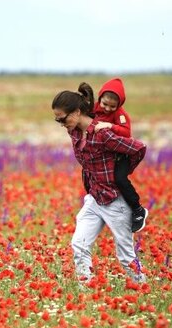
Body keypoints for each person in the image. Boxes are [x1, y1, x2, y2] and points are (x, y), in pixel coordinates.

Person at [52, 82, 147, 285]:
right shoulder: (75, 132)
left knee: (125, 257)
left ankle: (143, 288)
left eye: (63, 118)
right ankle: (87, 290)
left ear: (77, 112)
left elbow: (139, 147)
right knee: (79, 244)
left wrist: (121, 172)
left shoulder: (103, 135)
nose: (61, 123)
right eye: (57, 120)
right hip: (95, 198)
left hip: (115, 200)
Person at [92, 77, 148, 232]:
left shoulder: (121, 115)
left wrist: (110, 125)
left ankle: (137, 210)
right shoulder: (94, 107)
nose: (107, 109)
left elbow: (126, 132)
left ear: (119, 105)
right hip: (105, 154)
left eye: (112, 106)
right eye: (105, 104)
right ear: (100, 98)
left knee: (120, 179)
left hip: (121, 154)